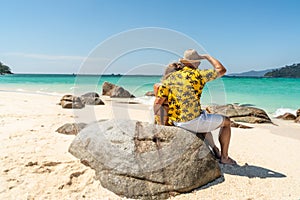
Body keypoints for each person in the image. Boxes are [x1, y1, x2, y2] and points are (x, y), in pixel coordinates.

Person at [157, 49, 236, 165]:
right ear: (197, 62)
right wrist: (208, 57)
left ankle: (215, 149)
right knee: (227, 122)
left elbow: (159, 101)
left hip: (176, 122)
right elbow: (222, 70)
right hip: (191, 122)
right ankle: (225, 157)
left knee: (205, 118)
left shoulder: (171, 77)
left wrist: (159, 124)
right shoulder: (198, 75)